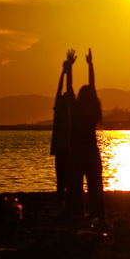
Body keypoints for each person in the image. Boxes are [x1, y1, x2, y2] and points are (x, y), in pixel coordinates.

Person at [65, 48, 105, 220]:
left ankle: (77, 214)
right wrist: (90, 66)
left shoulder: (75, 110)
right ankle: (97, 215)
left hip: (76, 152)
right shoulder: (93, 111)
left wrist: (69, 70)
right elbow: (93, 88)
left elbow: (69, 88)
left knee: (75, 186)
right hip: (90, 151)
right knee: (95, 186)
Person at [50, 60, 70, 204]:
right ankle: (62, 202)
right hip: (62, 149)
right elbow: (59, 89)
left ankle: (64, 203)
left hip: (65, 149)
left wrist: (66, 71)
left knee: (65, 179)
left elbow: (65, 89)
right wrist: (64, 72)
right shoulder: (61, 111)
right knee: (61, 180)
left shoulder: (69, 111)